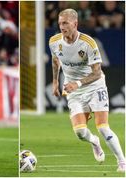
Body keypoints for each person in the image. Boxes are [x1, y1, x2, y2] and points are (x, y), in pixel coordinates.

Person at [49, 9, 125, 172]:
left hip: (94, 86)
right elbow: (56, 62)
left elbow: (97, 72)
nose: (62, 26)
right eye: (60, 23)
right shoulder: (54, 41)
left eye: (65, 23)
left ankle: (122, 161)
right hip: (74, 91)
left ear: (75, 24)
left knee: (103, 127)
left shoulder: (88, 43)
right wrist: (55, 82)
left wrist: (77, 83)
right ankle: (94, 142)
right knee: (80, 132)